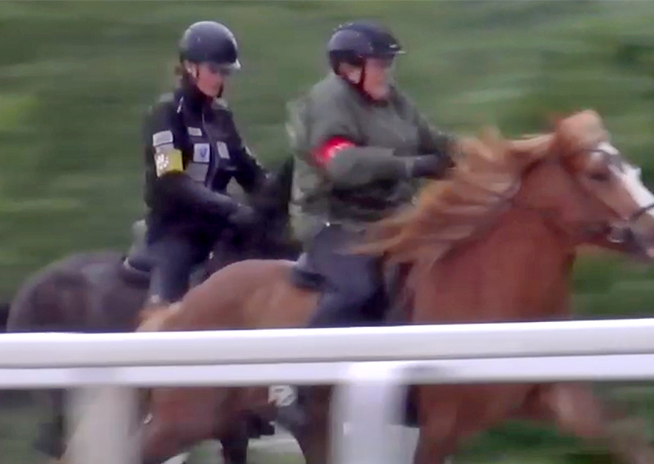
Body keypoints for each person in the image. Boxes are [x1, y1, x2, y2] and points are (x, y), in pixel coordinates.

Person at [280, 20, 457, 426]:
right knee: (357, 286)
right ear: (349, 68)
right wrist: (410, 165)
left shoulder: (393, 100)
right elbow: (341, 164)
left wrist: (485, 159)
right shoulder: (327, 102)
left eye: (388, 64)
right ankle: (295, 387)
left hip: (386, 218)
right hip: (330, 219)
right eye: (380, 64)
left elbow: (433, 139)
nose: (387, 72)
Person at [139, 20, 267, 328]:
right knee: (167, 303)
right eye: (213, 70)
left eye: (224, 72)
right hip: (176, 232)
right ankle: (154, 329)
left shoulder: (222, 117)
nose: (219, 78)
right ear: (189, 66)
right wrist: (229, 206)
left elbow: (250, 173)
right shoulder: (166, 114)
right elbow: (170, 180)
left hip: (219, 228)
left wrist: (279, 197)